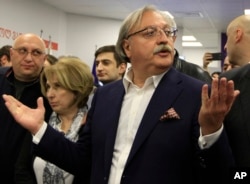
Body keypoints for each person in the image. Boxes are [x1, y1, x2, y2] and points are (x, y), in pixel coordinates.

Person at [2, 5, 239, 184]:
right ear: (127, 47)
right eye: (150, 32)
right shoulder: (105, 97)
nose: (164, 39)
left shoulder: (197, 93)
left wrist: (211, 131)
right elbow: (83, 161)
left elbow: (223, 173)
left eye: (169, 32)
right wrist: (40, 130)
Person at [0, 33, 52, 183]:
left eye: (36, 52)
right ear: (12, 54)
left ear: (44, 58)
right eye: (22, 51)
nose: (29, 58)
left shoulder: (52, 90)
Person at [33, 56, 93, 183]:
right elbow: (22, 169)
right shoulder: (40, 121)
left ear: (77, 89)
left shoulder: (92, 126)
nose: (49, 94)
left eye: (58, 86)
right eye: (48, 87)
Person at [219, 14, 250, 168]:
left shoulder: (226, 84)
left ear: (238, 35)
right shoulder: (226, 84)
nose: (225, 47)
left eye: (228, 38)